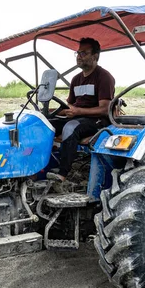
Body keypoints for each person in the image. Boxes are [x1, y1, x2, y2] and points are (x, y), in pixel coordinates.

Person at [47, 37, 115, 182]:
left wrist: (78, 111)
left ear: (95, 56)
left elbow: (104, 109)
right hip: (77, 117)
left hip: (96, 120)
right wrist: (57, 110)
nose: (79, 56)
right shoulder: (76, 79)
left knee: (71, 127)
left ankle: (62, 174)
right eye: (78, 53)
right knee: (45, 123)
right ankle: (41, 167)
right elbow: (70, 105)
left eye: (84, 53)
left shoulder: (104, 77)